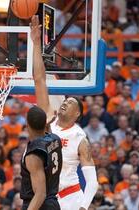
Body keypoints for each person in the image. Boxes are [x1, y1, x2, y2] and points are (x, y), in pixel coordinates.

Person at [30, 15, 98, 210]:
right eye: (65, 101)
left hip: (71, 198)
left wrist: (83, 207)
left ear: (77, 114)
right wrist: (35, 43)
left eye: (70, 102)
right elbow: (40, 80)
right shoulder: (48, 120)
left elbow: (92, 182)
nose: (65, 103)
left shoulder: (79, 137)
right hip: (47, 198)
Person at [20, 106, 62, 210]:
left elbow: (40, 194)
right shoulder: (55, 139)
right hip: (53, 203)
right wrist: (46, 123)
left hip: (39, 205)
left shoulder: (33, 155)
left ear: (27, 125)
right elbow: (46, 134)